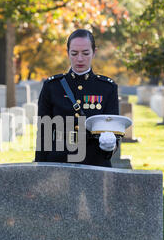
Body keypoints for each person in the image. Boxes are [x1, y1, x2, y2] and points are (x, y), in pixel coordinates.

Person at [35, 29, 120, 167]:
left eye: (85, 53)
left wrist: (111, 145)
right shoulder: (52, 86)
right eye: (74, 53)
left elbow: (113, 129)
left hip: (95, 162)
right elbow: (44, 134)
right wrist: (39, 168)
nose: (80, 59)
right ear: (67, 52)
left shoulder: (107, 88)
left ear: (94, 52)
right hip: (59, 162)